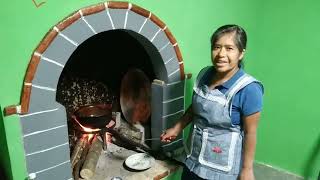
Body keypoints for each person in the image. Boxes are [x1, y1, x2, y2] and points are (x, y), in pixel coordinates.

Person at [160, 24, 264, 180]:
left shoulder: (249, 89)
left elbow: (251, 133)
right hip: (193, 159)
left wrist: (247, 170)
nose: (221, 54)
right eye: (217, 47)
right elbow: (196, 106)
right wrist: (177, 127)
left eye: (229, 48)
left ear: (241, 53)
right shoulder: (204, 74)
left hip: (222, 168)